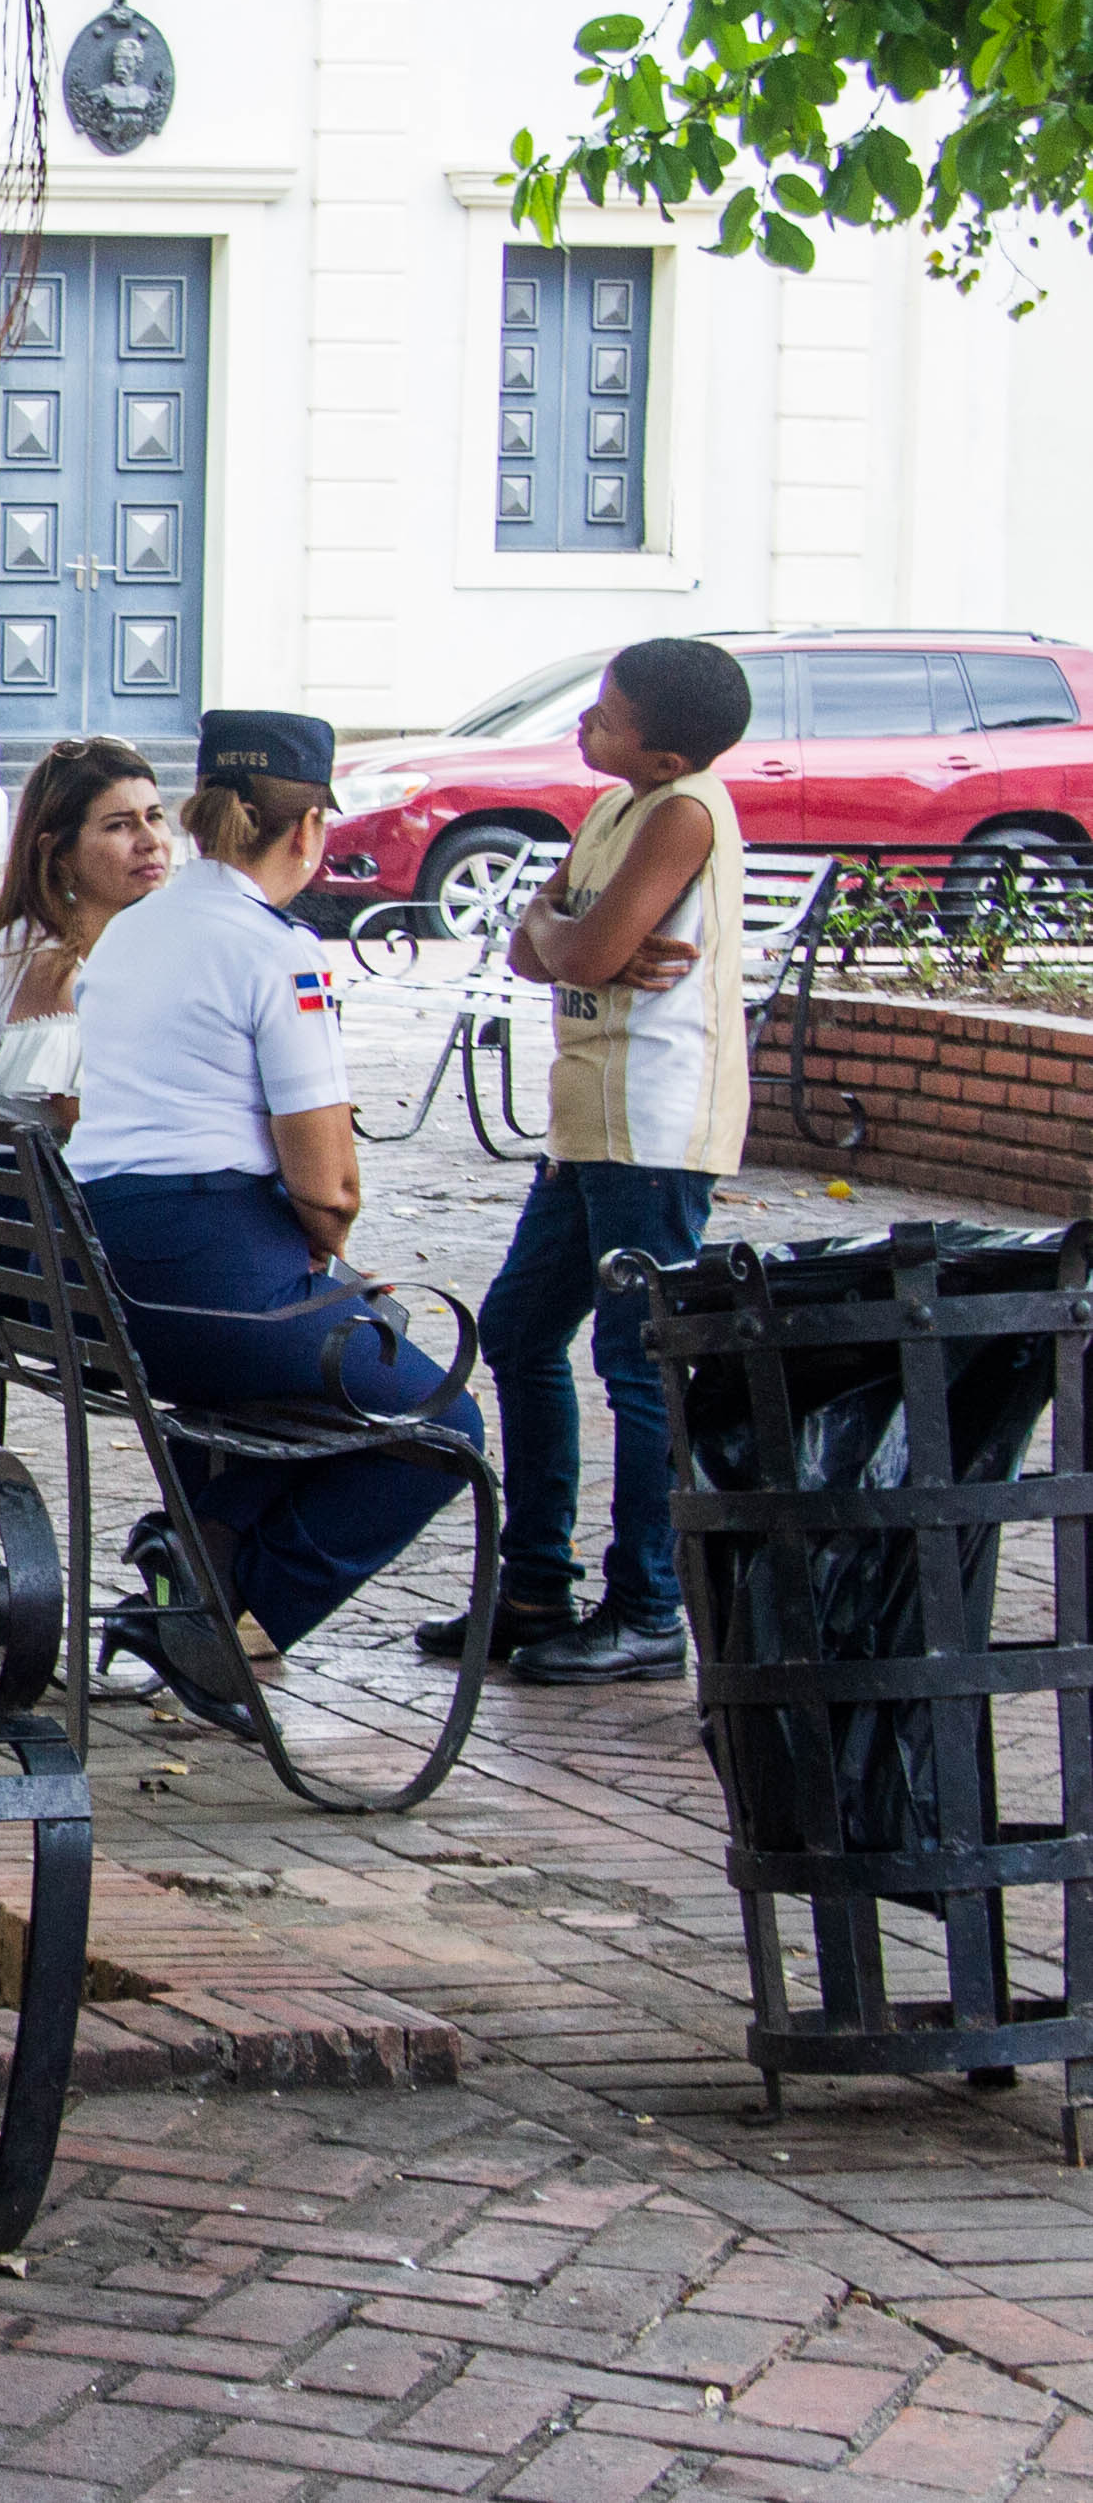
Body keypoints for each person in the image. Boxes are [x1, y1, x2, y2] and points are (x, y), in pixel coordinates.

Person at [71, 711, 488, 1737]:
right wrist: (328, 1252)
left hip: (104, 1279)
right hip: (213, 1289)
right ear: (307, 830)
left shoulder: (133, 930)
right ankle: (229, 1622)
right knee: (444, 1425)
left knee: (327, 1352)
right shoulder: (277, 951)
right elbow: (328, 1184)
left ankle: (197, 1547)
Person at [460, 638, 755, 1687]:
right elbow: (530, 944)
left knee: (637, 1362)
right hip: (585, 1121)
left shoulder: (685, 814)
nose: (586, 721)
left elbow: (574, 953)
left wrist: (574, 937)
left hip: (654, 1127)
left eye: (608, 714)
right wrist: (565, 929)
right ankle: (535, 1584)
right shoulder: (613, 810)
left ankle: (647, 1607)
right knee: (517, 1329)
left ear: (665, 754)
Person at [0, 735, 173, 1130]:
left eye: (155, 816)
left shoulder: (100, 946)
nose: (150, 841)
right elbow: (99, 1129)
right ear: (58, 852)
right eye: (119, 825)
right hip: (0, 1170)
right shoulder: (45, 961)